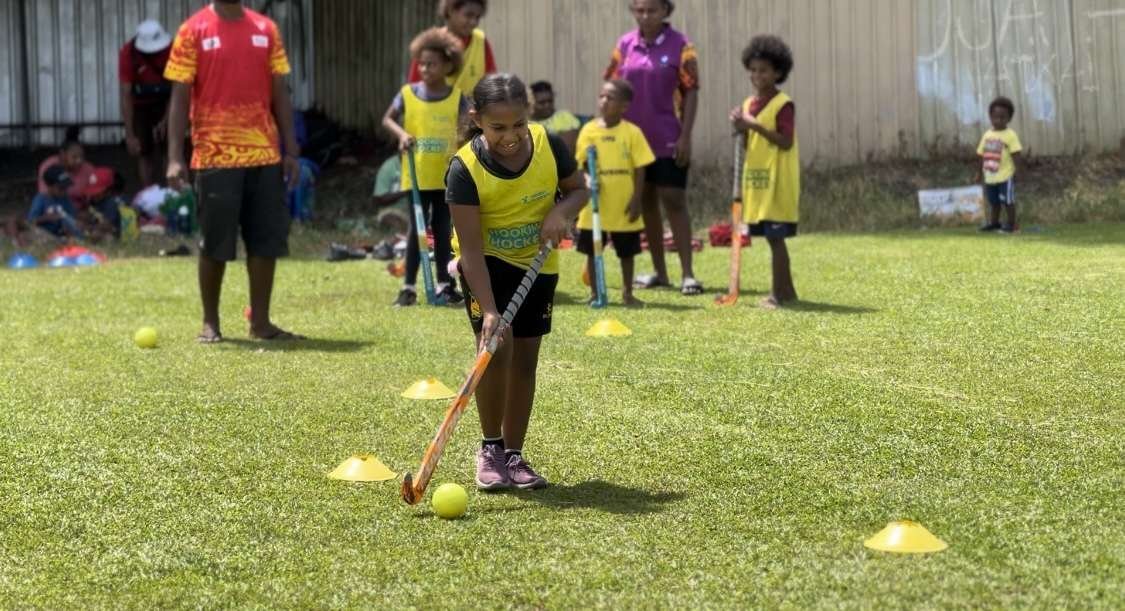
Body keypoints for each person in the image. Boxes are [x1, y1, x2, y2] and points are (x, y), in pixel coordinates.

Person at [445, 74, 589, 491]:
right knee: (496, 350)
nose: (510, 136)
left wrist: (561, 213)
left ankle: (514, 455)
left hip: (537, 264)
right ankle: (489, 449)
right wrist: (489, 310)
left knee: (525, 359)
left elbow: (579, 190)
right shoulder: (464, 169)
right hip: (486, 264)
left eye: (518, 125)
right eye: (498, 128)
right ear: (477, 120)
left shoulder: (549, 144)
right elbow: (470, 251)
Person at [164, 0, 303, 343]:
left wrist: (291, 149)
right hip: (215, 157)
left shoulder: (266, 29)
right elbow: (180, 98)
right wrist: (174, 157)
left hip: (265, 154)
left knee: (265, 242)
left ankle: (261, 323)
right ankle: (210, 323)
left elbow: (280, 92)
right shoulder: (192, 30)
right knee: (215, 243)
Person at [605, 0, 701, 296]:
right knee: (645, 201)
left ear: (665, 11)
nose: (645, 16)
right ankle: (660, 272)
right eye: (640, 10)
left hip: (668, 138)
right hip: (633, 142)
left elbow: (692, 90)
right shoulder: (624, 45)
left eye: (652, 10)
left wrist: (685, 136)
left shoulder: (682, 46)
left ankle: (688, 274)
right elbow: (610, 85)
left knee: (674, 200)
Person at [382, 27, 469, 307]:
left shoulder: (457, 98)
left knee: (443, 229)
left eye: (431, 64)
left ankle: (445, 284)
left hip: (446, 177)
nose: (424, 68)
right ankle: (408, 287)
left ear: (447, 65)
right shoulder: (407, 94)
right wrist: (402, 135)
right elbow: (388, 119)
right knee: (415, 230)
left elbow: (467, 129)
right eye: (421, 63)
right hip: (416, 174)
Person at [730, 35, 800, 309]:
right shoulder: (749, 104)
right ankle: (788, 291)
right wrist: (741, 126)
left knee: (776, 238)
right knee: (769, 238)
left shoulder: (783, 104)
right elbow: (749, 142)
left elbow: (785, 141)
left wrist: (753, 124)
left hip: (779, 182)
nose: (757, 75)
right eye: (753, 70)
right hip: (757, 182)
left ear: (778, 73)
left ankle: (778, 294)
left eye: (764, 70)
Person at [575, 80, 655, 307]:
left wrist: (637, 199)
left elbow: (641, 167)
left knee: (626, 252)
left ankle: (628, 293)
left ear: (624, 106)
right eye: (602, 96)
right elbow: (581, 164)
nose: (603, 101)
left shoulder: (632, 132)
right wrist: (589, 180)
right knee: (592, 250)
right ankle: (595, 292)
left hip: (622, 202)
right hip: (595, 203)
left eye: (610, 98)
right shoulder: (588, 130)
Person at [119, 19, 173, 188]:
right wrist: (129, 134)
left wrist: (166, 120)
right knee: (144, 151)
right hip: (140, 104)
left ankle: (172, 192)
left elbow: (178, 89)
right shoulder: (128, 53)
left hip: (167, 100)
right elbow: (126, 94)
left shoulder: (173, 50)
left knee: (171, 148)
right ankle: (147, 193)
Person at [409, 0, 496, 95]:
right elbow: (414, 90)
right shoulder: (430, 43)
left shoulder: (481, 41)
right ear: (450, 11)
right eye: (468, 16)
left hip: (472, 109)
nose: (473, 22)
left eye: (477, 17)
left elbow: (492, 87)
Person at [976, 97, 1023, 234]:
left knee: (1008, 200)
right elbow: (981, 154)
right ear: (990, 117)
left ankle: (1011, 224)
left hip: (1005, 175)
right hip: (990, 175)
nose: (999, 120)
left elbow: (1016, 154)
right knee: (994, 201)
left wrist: (1018, 172)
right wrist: (979, 173)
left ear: (1009, 119)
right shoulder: (987, 135)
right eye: (995, 117)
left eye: (1003, 117)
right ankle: (994, 223)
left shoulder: (1010, 135)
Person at [37, 131, 95, 210]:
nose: (79, 161)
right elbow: (45, 194)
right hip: (55, 209)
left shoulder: (89, 169)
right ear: (63, 154)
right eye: (75, 157)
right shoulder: (49, 166)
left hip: (82, 210)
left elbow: (94, 194)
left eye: (82, 156)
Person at [28, 165, 84, 240]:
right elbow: (31, 221)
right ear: (50, 187)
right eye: (61, 188)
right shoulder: (41, 199)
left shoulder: (65, 198)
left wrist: (77, 222)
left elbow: (72, 216)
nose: (64, 191)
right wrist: (46, 218)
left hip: (61, 234)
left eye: (66, 188)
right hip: (45, 234)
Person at [530, 81, 582, 154]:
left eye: (550, 101)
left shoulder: (565, 117)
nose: (547, 105)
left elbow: (567, 148)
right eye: (542, 103)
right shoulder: (526, 123)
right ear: (531, 103)